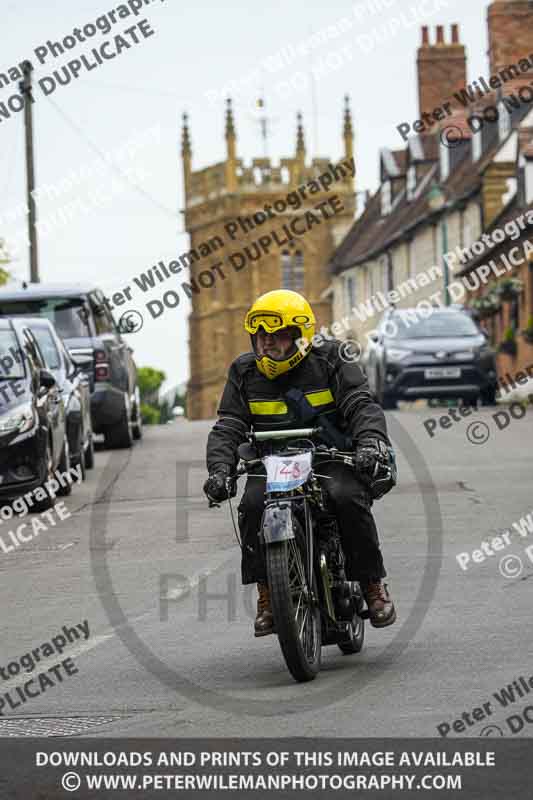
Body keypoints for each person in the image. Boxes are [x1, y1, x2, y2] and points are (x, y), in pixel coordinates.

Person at [203, 289, 397, 637]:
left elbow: (360, 404)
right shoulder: (244, 371)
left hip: (328, 456)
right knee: (249, 506)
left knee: (346, 497)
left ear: (300, 334)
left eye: (275, 335)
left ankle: (372, 586)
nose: (266, 344)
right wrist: (219, 470)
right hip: (272, 461)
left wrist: (369, 443)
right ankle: (267, 595)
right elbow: (229, 424)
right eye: (260, 336)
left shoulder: (331, 359)